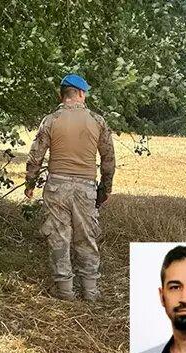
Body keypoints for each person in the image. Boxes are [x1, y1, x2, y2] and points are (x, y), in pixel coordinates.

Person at [24, 74, 115, 301]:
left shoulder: (51, 120)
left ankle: (65, 293)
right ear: (82, 94)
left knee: (58, 238)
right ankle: (91, 292)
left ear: (62, 94)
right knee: (86, 238)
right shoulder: (98, 121)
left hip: (57, 187)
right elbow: (108, 158)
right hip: (86, 188)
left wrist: (30, 183)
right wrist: (105, 189)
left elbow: (35, 155)